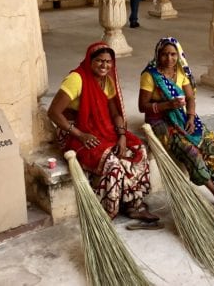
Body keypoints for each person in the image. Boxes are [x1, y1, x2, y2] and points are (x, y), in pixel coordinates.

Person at [48, 41, 159, 223]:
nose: (104, 65)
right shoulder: (77, 79)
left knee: (138, 149)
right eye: (99, 61)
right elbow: (53, 112)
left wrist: (122, 136)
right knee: (112, 162)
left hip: (101, 127)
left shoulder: (107, 81)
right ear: (89, 61)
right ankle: (108, 209)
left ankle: (134, 204)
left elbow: (114, 113)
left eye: (108, 62)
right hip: (74, 131)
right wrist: (80, 135)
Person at [138, 37, 214, 214]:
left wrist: (190, 116)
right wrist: (167, 105)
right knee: (191, 152)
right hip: (160, 120)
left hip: (181, 116)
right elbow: (142, 106)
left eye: (173, 54)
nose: (169, 59)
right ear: (158, 55)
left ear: (178, 55)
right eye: (165, 54)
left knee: (209, 145)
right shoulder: (150, 75)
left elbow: (190, 98)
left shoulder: (180, 72)